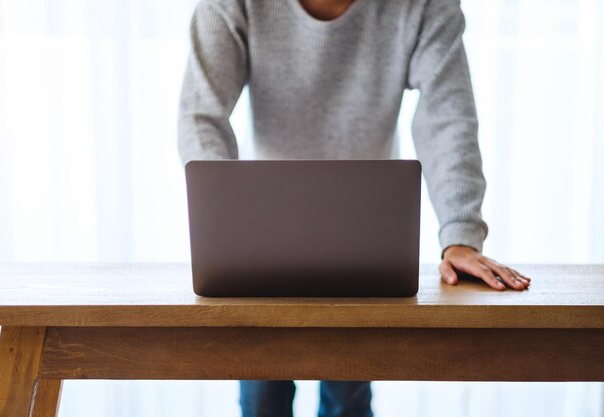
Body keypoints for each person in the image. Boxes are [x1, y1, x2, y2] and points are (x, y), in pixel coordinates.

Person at [177, 0, 532, 416]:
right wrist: (228, 220)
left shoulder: (425, 6)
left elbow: (448, 118)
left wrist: (460, 235)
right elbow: (201, 115)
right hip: (261, 243)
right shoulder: (231, 5)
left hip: (363, 242)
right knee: (260, 396)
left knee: (348, 396)